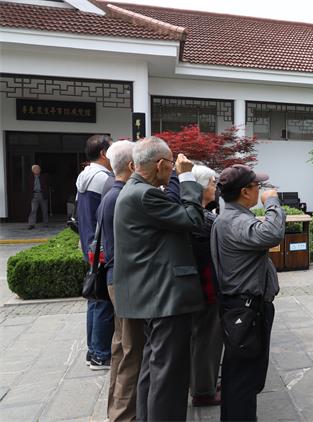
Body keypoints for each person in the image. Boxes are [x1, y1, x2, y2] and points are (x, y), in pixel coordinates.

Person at [113, 137, 205, 421]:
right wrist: (187, 177)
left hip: (154, 294)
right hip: (164, 296)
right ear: (162, 164)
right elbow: (193, 219)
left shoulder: (134, 190)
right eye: (172, 165)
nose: (173, 169)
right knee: (169, 375)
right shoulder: (145, 195)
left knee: (153, 369)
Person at [211, 164, 285, 421]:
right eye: (258, 186)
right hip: (246, 309)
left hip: (241, 308)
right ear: (245, 191)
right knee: (243, 380)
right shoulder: (236, 220)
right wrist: (272, 202)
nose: (261, 190)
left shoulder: (230, 217)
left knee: (240, 377)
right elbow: (272, 234)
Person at [96, 140, 145, 421]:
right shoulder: (121, 197)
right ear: (131, 165)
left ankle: (116, 410)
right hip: (125, 282)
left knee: (120, 347)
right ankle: (124, 415)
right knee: (130, 350)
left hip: (117, 279)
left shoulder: (110, 193)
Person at [75, 134, 115, 370]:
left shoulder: (85, 175)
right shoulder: (103, 178)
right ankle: (101, 354)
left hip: (89, 244)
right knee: (103, 302)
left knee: (94, 298)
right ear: (103, 153)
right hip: (100, 247)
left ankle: (93, 350)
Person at [189, 164, 223, 407]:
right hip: (205, 285)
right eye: (212, 183)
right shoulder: (202, 218)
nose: (215, 188)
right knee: (207, 337)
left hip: (200, 284)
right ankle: (203, 390)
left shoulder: (198, 213)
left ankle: (206, 381)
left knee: (204, 335)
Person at [27, 164, 49, 229]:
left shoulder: (44, 176)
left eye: (38, 169)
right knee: (33, 210)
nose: (37, 170)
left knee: (44, 210)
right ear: (32, 170)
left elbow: (48, 184)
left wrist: (46, 192)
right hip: (34, 195)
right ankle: (31, 224)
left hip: (43, 194)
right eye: (35, 169)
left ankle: (45, 223)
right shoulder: (30, 177)